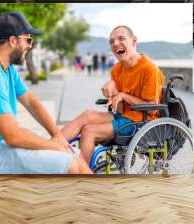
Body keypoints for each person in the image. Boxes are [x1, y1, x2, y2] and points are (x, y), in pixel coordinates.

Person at [0, 12, 91, 174]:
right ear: (13, 40)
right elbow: (12, 135)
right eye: (28, 40)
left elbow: (31, 102)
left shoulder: (7, 67)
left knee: (75, 155)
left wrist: (57, 135)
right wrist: (55, 146)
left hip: (2, 144)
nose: (30, 45)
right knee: (69, 163)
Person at [60, 25, 165, 164]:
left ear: (134, 41)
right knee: (87, 115)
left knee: (89, 131)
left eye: (121, 38)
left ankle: (81, 173)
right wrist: (114, 91)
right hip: (123, 116)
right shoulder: (117, 69)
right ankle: (49, 147)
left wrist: (123, 95)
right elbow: (121, 109)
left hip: (142, 122)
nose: (115, 43)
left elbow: (153, 108)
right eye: (111, 42)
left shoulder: (149, 69)